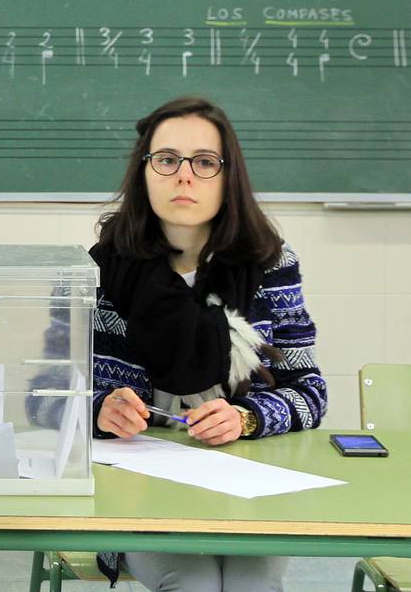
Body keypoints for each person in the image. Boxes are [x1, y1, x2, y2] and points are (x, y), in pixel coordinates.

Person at [90, 96, 326, 591]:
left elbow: (310, 391)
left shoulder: (271, 265)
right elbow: (47, 394)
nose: (184, 176)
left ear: (228, 175)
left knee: (252, 585)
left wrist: (247, 417)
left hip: (249, 478)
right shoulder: (98, 269)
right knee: (191, 583)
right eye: (167, 160)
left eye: (204, 162)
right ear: (144, 172)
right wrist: (100, 409)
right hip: (140, 484)